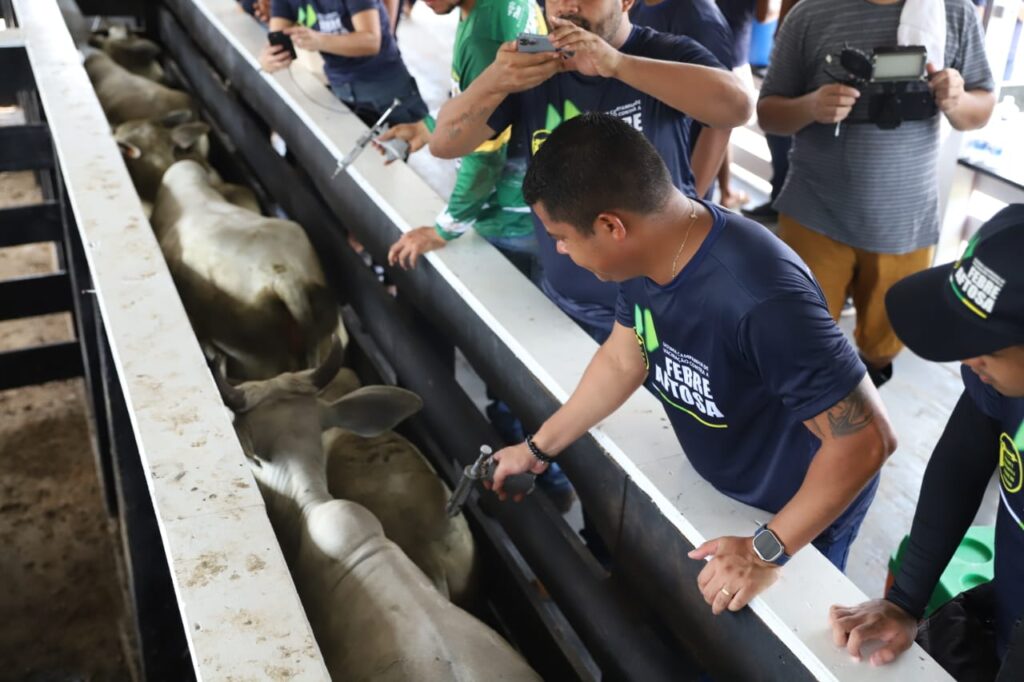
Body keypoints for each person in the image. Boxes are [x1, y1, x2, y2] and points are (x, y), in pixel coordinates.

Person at [489, 113, 896, 613]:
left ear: (611, 225)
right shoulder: (646, 254)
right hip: (726, 487)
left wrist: (766, 551)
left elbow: (866, 440)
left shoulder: (760, 297)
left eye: (562, 236)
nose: (558, 249)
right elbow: (625, 356)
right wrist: (536, 448)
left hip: (796, 510)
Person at [429, 0, 751, 343]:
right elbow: (445, 143)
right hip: (568, 306)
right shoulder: (535, 65)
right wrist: (493, 80)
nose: (568, 5)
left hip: (667, 305)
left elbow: (737, 107)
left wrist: (617, 64)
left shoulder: (661, 51)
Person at [829, 206, 1024, 680]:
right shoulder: (1001, 383)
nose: (967, 359)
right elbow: (960, 462)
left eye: (989, 349)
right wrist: (904, 600)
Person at [756, 0, 995, 387]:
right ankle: (800, 424)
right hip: (814, 212)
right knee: (798, 339)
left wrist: (958, 100)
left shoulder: (954, 11)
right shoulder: (810, 13)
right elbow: (768, 113)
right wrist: (811, 106)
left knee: (882, 347)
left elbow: (980, 109)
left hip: (904, 222)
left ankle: (860, 412)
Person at [383, 0, 546, 279]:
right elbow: (480, 101)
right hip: (540, 198)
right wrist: (428, 127)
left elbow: (483, 158)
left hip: (510, 219)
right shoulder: (504, 6)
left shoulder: (480, 39)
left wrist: (443, 230)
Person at [627, 0, 736, 199]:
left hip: (678, 187)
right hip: (643, 181)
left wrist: (693, 201)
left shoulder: (700, 20)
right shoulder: (639, 7)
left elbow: (720, 123)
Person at [260, 0, 428, 124]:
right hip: (341, 88)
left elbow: (371, 41)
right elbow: (277, 38)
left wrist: (319, 41)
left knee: (383, 164)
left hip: (384, 88)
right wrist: (269, 59)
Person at [713, 0, 776, 210]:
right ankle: (724, 192)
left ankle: (721, 190)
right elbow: (763, 14)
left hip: (706, 41)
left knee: (715, 125)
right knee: (722, 127)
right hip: (734, 49)